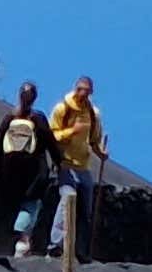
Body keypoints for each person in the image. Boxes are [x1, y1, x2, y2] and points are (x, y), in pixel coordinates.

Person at [0, 82, 54, 257]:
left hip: (10, 171)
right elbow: (50, 143)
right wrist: (58, 164)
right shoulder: (38, 118)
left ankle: (5, 241)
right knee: (30, 205)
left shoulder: (10, 117)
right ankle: (23, 243)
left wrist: (0, 168)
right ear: (35, 98)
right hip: (34, 172)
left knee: (13, 203)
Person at [47, 74, 111, 250]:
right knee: (67, 200)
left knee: (86, 208)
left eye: (87, 92)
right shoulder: (62, 109)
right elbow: (52, 136)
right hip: (65, 164)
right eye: (80, 90)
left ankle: (81, 248)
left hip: (83, 166)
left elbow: (93, 139)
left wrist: (101, 153)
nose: (83, 95)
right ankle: (56, 245)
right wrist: (71, 132)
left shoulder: (92, 113)